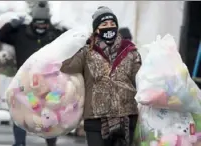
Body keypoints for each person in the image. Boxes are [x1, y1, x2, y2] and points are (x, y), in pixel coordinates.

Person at [60, 6, 141, 146]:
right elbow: (66, 66)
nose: (109, 27)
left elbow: (140, 78)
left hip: (126, 117)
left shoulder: (130, 51)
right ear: (96, 29)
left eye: (112, 24)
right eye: (104, 24)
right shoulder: (87, 52)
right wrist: (76, 45)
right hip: (96, 119)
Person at [0, 1, 67, 146]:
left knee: (49, 116)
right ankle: (20, 143)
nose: (41, 27)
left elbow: (73, 41)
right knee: (21, 114)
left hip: (50, 86)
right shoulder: (21, 33)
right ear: (33, 22)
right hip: (25, 85)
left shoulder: (55, 34)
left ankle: (51, 143)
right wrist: (12, 24)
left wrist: (64, 28)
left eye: (44, 24)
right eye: (38, 24)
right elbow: (1, 36)